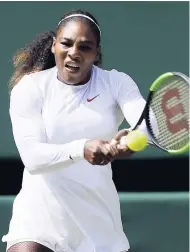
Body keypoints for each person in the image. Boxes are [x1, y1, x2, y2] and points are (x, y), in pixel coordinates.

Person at [2, 9, 149, 252]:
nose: (74, 53)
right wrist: (82, 148)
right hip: (39, 218)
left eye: (85, 47)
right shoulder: (30, 88)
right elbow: (33, 158)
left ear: (96, 53)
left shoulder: (116, 83)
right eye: (66, 44)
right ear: (53, 46)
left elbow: (144, 122)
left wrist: (130, 141)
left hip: (97, 223)